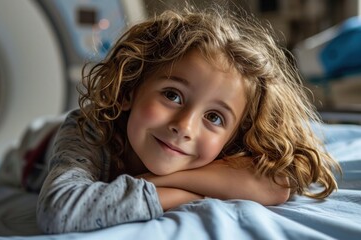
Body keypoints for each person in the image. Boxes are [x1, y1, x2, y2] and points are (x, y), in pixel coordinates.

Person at [36, 5, 341, 233]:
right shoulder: (88, 128)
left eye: (214, 117)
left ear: (233, 137)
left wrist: (163, 181)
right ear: (130, 88)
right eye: (172, 95)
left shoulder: (217, 151)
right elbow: (59, 210)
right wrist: (183, 192)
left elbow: (277, 184)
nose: (184, 126)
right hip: (35, 151)